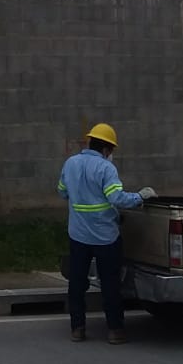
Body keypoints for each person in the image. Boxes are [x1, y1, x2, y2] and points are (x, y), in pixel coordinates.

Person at [57, 123, 156, 344]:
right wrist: (141, 196)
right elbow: (117, 199)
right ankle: (114, 330)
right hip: (105, 237)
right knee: (110, 284)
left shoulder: (70, 163)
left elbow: (62, 192)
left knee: (77, 283)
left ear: (90, 142)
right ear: (107, 149)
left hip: (78, 234)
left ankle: (77, 328)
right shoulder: (105, 169)